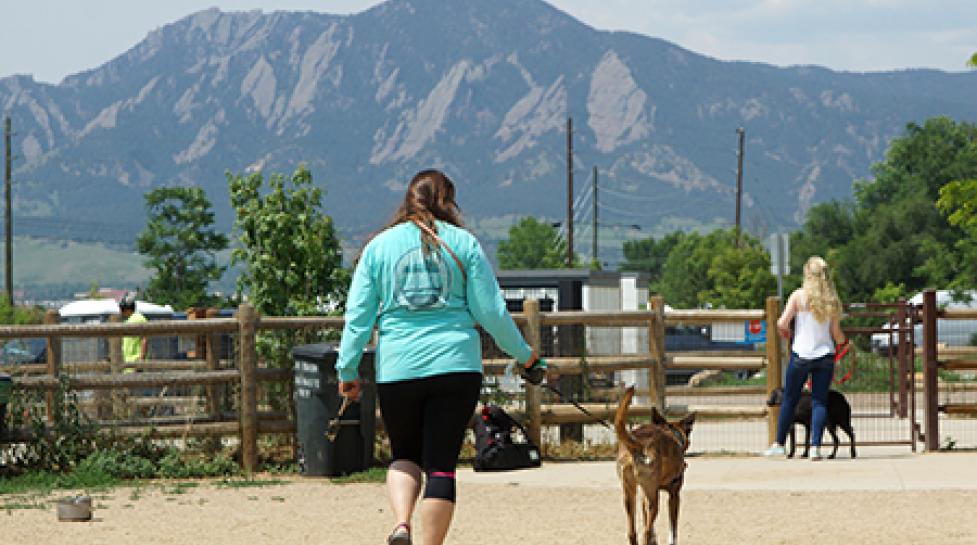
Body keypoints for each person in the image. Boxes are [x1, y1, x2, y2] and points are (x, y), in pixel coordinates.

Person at [335, 169, 545, 545]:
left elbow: (358, 318)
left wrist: (348, 370)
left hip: (398, 367)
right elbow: (492, 314)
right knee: (441, 465)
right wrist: (526, 357)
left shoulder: (378, 248)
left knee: (404, 454)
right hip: (456, 366)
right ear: (448, 201)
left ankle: (401, 523)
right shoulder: (464, 244)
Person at [764, 256, 847, 461]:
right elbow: (836, 334)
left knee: (790, 399)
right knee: (820, 401)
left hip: (801, 354)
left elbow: (782, 323)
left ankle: (779, 444)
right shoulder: (832, 301)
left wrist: (788, 335)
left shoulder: (798, 297)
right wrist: (845, 341)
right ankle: (815, 447)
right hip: (825, 355)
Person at [120, 294, 148, 371]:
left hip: (135, 361)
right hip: (128, 363)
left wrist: (141, 359)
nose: (121, 312)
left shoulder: (138, 318)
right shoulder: (129, 321)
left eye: (122, 309)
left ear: (127, 309)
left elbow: (144, 338)